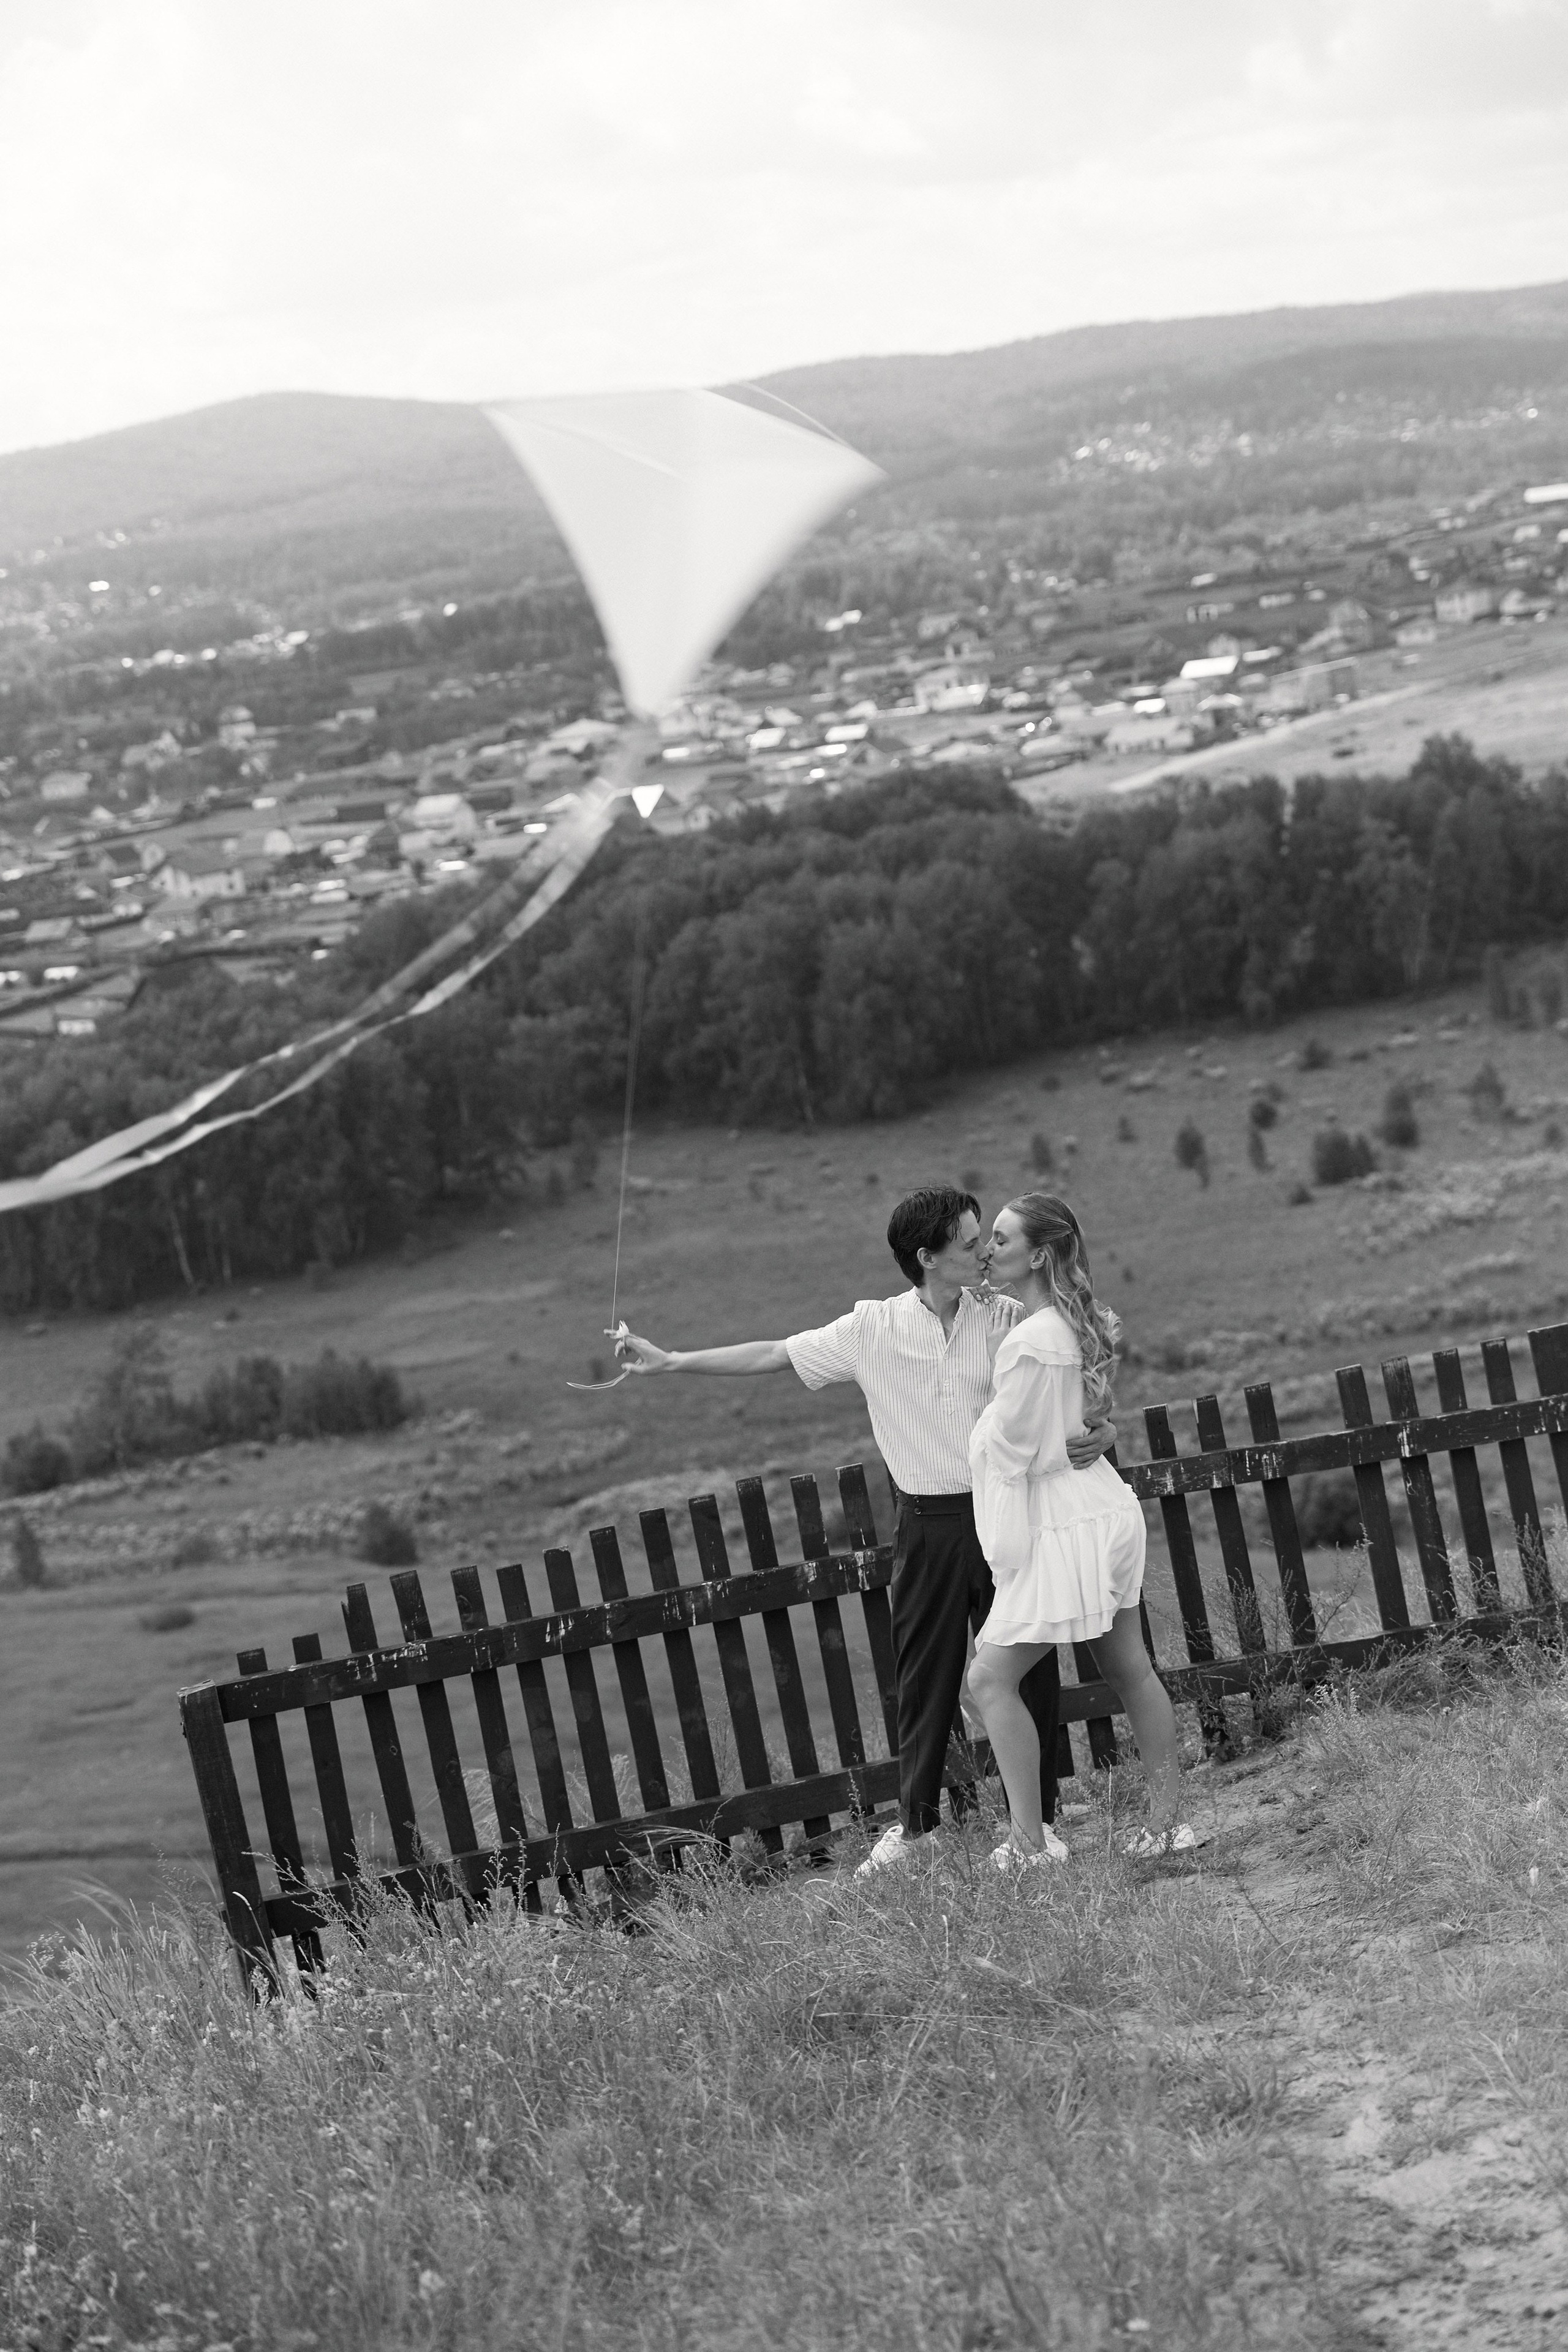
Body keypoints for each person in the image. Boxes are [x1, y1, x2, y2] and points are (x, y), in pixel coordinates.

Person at [612, 1185, 1116, 1875]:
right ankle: (917, 1829)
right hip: (927, 1524)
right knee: (923, 1674)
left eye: (984, 1240)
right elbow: (774, 1355)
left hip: (1008, 1513)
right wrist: (671, 1362)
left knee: (1021, 1672)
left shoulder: (1007, 1314)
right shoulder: (871, 1329)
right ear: (926, 1257)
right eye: (970, 1243)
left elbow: (1072, 1369)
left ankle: (1039, 1825)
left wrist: (1104, 1424)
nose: (983, 1253)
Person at [964, 1192, 1200, 1869]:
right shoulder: (1075, 1322)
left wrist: (977, 1437)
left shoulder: (1031, 1341)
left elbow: (1009, 1448)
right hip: (1101, 1506)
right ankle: (1165, 1825)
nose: (990, 1250)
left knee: (988, 1680)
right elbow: (1068, 1422)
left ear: (1038, 1254)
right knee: (1129, 1668)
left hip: (1065, 1520)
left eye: (1002, 1240)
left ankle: (1029, 1844)